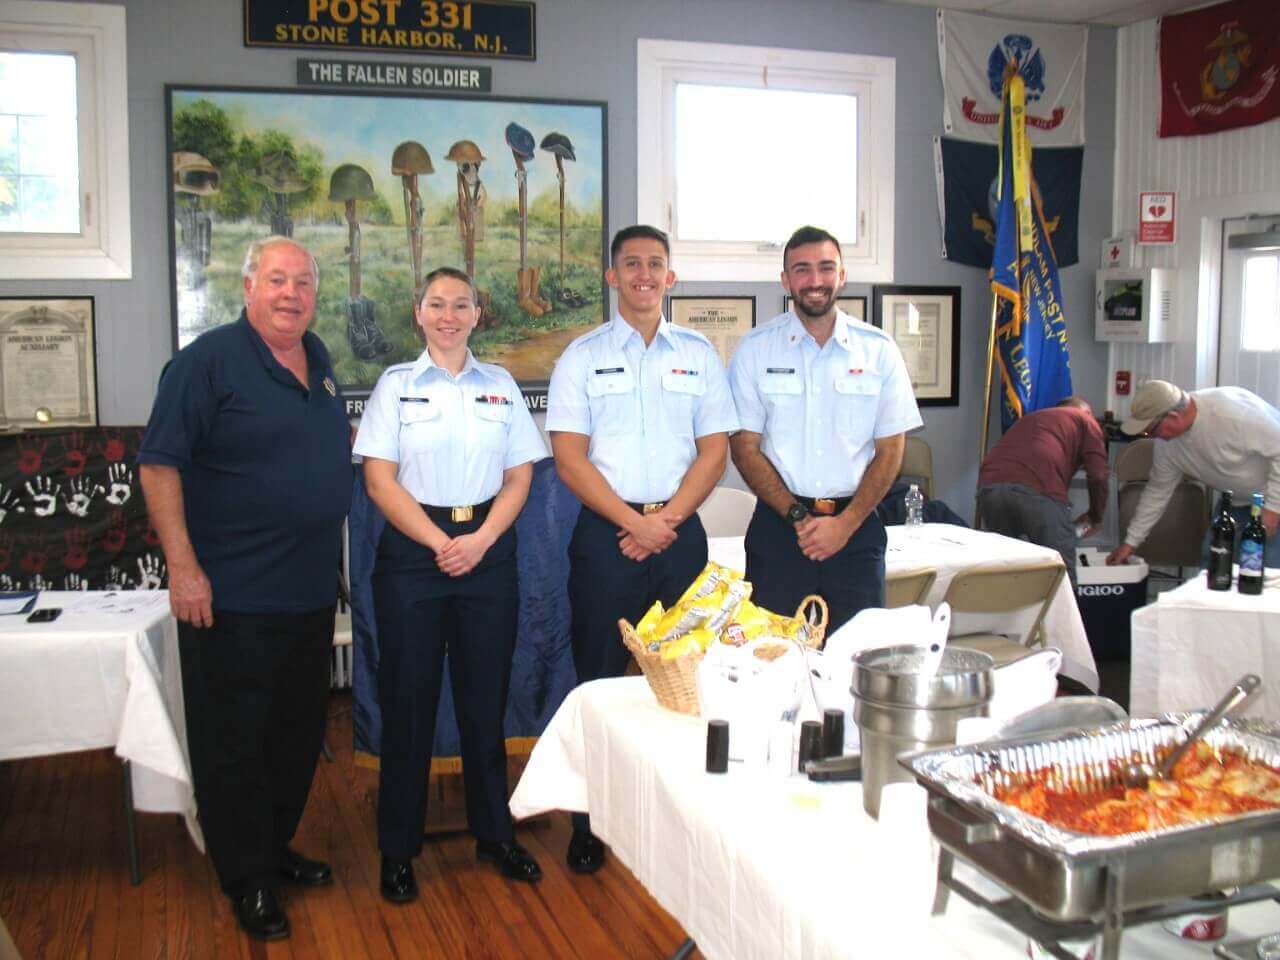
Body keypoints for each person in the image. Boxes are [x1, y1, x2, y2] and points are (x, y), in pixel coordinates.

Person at [138, 237, 352, 941]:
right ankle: (247, 878)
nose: (291, 294)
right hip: (230, 597)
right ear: (249, 285)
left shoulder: (319, 364)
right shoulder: (205, 365)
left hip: (307, 594)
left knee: (293, 737)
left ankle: (272, 848)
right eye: (278, 280)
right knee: (234, 743)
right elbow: (160, 467)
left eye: (304, 283)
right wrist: (184, 568)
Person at [546, 225, 738, 873]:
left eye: (656, 263)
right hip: (606, 538)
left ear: (671, 277)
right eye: (631, 264)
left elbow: (717, 449)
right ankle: (589, 822)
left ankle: (686, 821)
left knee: (690, 685)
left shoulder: (700, 355)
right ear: (612, 277)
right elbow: (569, 459)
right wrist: (632, 520)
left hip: (680, 538)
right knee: (598, 682)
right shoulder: (581, 356)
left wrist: (668, 520)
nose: (644, 274)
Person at [353, 267, 548, 902]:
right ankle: (398, 850)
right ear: (418, 312)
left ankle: (496, 835)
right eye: (436, 304)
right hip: (415, 555)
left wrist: (482, 541)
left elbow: (520, 474)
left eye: (460, 304)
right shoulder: (396, 387)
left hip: (487, 550)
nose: (448, 314)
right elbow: (380, 480)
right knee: (408, 704)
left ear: (476, 313)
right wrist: (440, 543)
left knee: (484, 701)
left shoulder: (500, 385)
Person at [728, 225, 921, 631]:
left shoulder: (879, 351)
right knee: (770, 659)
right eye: (802, 269)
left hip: (856, 531)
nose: (815, 280)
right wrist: (800, 518)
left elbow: (891, 451)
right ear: (786, 280)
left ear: (842, 275)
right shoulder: (755, 349)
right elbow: (745, 447)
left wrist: (845, 525)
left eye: (825, 268)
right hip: (779, 531)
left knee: (855, 659)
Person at [1107, 379, 1279, 565]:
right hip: (1236, 503)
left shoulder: (1234, 414)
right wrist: (1130, 543)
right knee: (1212, 565)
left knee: (1267, 571)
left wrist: (1273, 508)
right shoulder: (1167, 446)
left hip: (1273, 500)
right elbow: (1157, 492)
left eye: (1152, 430)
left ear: (1174, 416)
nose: (1153, 437)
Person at [977, 397, 1108, 584]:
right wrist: (1096, 516)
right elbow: (1098, 475)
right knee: (1059, 572)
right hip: (1037, 490)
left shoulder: (1031, 419)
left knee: (1007, 572)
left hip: (989, 488)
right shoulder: (1085, 420)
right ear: (1087, 413)